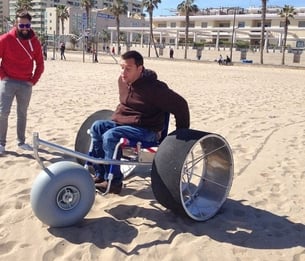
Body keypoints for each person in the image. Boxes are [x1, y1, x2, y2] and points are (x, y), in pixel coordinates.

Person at [89, 50, 190, 194]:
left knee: (110, 136)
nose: (123, 72)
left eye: (128, 69)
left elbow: (181, 105)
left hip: (146, 130)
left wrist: (182, 134)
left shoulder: (155, 88)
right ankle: (101, 175)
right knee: (97, 127)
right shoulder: (123, 81)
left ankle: (115, 182)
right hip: (123, 124)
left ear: (140, 69)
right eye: (121, 67)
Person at [0, 9, 44, 155]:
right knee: (3, 112)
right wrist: (3, 76)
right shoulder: (5, 39)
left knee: (22, 113)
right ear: (16, 24)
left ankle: (21, 141)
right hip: (8, 81)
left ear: (30, 25)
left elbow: (40, 64)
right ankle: (1, 143)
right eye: (21, 25)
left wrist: (33, 81)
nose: (24, 29)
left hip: (25, 83)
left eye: (27, 26)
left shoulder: (35, 42)